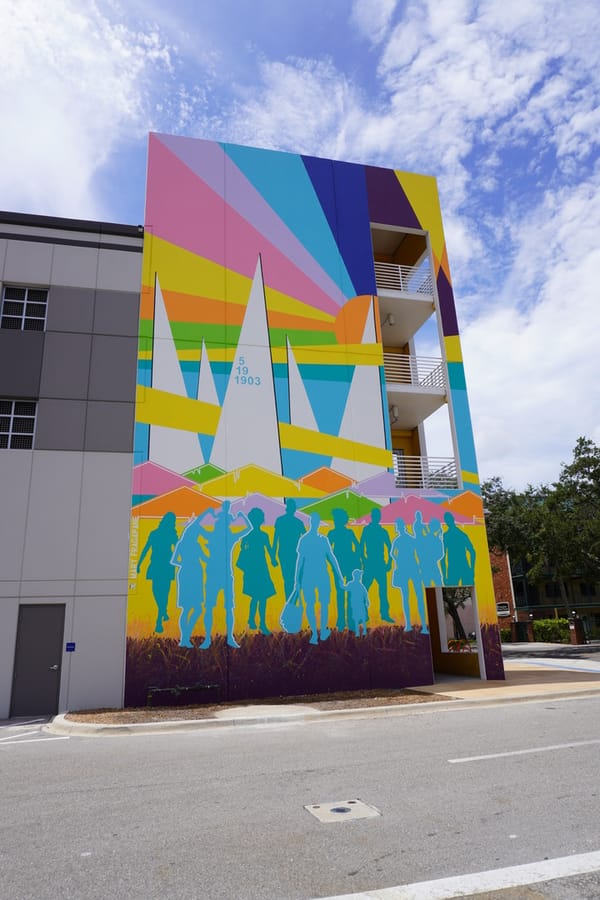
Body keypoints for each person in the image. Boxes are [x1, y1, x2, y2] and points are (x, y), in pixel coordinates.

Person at [200, 502, 251, 649]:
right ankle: (210, 639)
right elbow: (249, 528)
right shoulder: (227, 535)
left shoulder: (219, 535)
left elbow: (197, 526)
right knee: (215, 607)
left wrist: (208, 513)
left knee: (223, 608)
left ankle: (223, 638)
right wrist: (241, 516)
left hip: (221, 575)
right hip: (218, 575)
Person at [292, 512, 344, 644]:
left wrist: (339, 575)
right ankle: (316, 632)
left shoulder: (313, 539)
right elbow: (300, 561)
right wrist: (296, 580)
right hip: (315, 575)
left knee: (320, 604)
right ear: (313, 523)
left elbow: (332, 559)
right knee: (316, 604)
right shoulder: (313, 540)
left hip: (316, 575)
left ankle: (318, 632)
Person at [170, 512, 210, 647]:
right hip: (193, 573)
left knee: (189, 609)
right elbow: (206, 559)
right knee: (193, 608)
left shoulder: (182, 544)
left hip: (189, 574)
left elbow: (175, 561)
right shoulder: (194, 545)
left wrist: (185, 564)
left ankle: (185, 637)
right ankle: (185, 637)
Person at [237, 507, 278, 635]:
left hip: (256, 569)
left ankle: (255, 621)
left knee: (258, 596)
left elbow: (268, 552)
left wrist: (273, 559)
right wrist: (273, 560)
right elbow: (270, 552)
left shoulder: (248, 536)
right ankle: (258, 622)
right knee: (261, 596)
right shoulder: (261, 535)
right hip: (258, 568)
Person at [137, 511, 178, 634]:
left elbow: (177, 549)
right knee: (159, 592)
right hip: (161, 565)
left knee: (161, 592)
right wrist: (139, 564)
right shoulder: (157, 534)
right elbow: (146, 549)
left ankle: (158, 621)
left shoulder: (163, 534)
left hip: (161, 565)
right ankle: (163, 610)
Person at [390, 517, 427, 633]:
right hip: (408, 568)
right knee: (411, 596)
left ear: (400, 527)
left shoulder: (402, 540)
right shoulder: (405, 539)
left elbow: (392, 554)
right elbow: (392, 553)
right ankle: (410, 625)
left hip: (410, 568)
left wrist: (398, 560)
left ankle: (419, 626)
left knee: (413, 596)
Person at [359, 507, 394, 622]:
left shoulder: (383, 531)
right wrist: (364, 560)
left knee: (383, 591)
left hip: (380, 564)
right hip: (370, 564)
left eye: (378, 516)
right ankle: (363, 614)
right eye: (375, 516)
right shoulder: (366, 530)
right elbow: (361, 546)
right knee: (364, 590)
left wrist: (389, 562)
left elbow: (390, 548)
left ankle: (384, 614)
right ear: (372, 517)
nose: (377, 518)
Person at [328, 508, 360, 630]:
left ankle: (346, 620)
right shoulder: (334, 534)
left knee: (344, 593)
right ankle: (342, 620)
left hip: (346, 565)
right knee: (342, 594)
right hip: (341, 566)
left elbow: (357, 547)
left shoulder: (347, 533)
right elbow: (328, 552)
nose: (335, 521)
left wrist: (356, 559)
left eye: (337, 519)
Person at [273, 498, 306, 601]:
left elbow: (275, 540)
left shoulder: (281, 521)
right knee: (292, 580)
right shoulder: (298, 522)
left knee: (289, 580)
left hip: (286, 554)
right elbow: (275, 539)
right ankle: (291, 602)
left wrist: (273, 557)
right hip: (291, 554)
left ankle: (290, 602)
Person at [443, 512, 476, 586]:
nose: (448, 522)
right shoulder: (449, 536)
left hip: (461, 566)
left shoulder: (460, 535)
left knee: (470, 588)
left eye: (449, 520)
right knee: (452, 591)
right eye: (447, 520)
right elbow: (443, 556)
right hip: (455, 567)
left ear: (452, 519)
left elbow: (472, 551)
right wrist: (444, 575)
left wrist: (472, 570)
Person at [346, 569, 369, 637]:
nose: (360, 577)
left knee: (362, 617)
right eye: (359, 575)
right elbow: (346, 588)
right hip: (355, 603)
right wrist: (342, 585)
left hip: (360, 603)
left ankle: (364, 631)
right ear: (356, 576)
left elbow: (365, 593)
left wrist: (367, 600)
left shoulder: (360, 585)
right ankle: (358, 632)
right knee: (357, 618)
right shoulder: (352, 584)